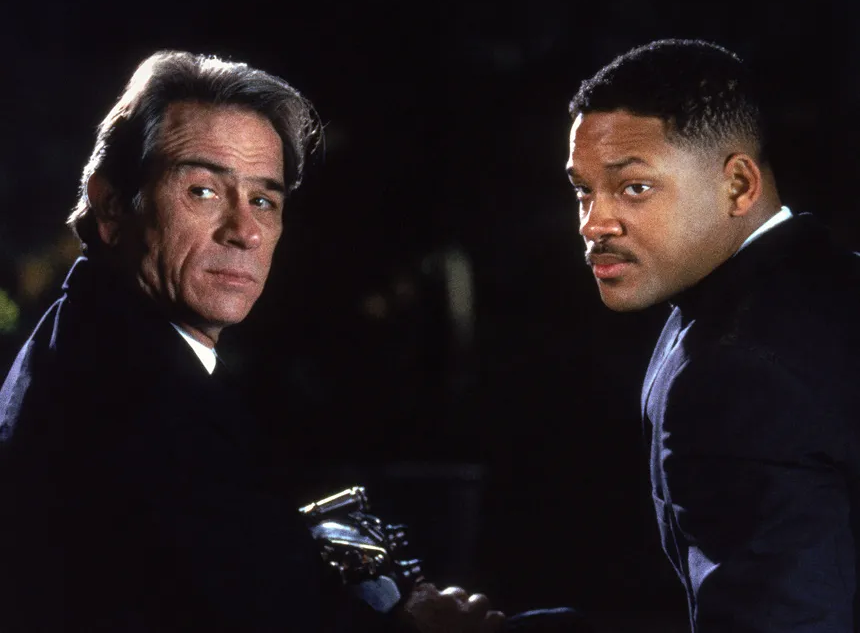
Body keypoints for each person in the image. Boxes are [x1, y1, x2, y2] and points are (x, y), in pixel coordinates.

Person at [0, 50, 513, 633]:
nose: (244, 231)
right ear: (111, 206)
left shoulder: (102, 341)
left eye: (264, 200)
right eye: (203, 191)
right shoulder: (131, 395)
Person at [566, 39, 860, 631]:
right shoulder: (826, 282)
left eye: (634, 187)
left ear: (739, 186)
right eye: (583, 190)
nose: (594, 223)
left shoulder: (735, 370)